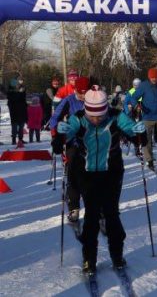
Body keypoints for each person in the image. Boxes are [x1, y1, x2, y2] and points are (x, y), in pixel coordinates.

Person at [56, 88, 145, 274]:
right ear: (86, 110)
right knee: (92, 215)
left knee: (111, 213)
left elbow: (132, 131)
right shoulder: (78, 118)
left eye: (100, 116)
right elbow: (67, 132)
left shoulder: (116, 116)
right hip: (86, 172)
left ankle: (117, 254)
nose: (96, 120)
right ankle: (89, 257)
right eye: (92, 116)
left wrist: (139, 135)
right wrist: (59, 139)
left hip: (111, 171)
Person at [50, 76, 91, 222]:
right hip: (73, 142)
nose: (82, 95)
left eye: (85, 92)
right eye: (80, 92)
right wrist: (56, 136)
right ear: (75, 90)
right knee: (73, 176)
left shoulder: (95, 98)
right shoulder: (68, 100)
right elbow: (55, 118)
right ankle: (74, 208)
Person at [125, 68, 157, 170]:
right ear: (149, 77)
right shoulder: (143, 85)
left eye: (156, 77)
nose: (154, 79)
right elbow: (133, 97)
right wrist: (136, 106)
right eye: (152, 78)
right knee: (146, 139)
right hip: (147, 116)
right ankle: (149, 160)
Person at [5, 77, 28, 147]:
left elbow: (23, 99)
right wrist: (19, 92)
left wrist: (26, 105)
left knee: (21, 126)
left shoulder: (22, 88)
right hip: (14, 110)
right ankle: (14, 140)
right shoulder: (11, 91)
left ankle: (20, 140)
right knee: (15, 126)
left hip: (21, 110)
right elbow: (11, 99)